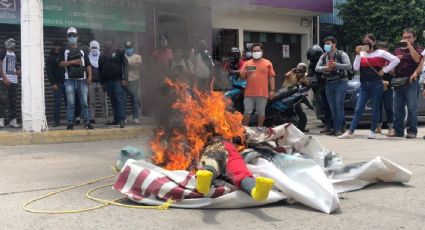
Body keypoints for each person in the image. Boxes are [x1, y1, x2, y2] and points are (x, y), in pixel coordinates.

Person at [338, 34, 400, 139]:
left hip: (376, 84)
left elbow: (396, 60)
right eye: (364, 41)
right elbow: (356, 67)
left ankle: (372, 131)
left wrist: (384, 70)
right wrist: (357, 54)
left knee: (375, 108)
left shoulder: (381, 53)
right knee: (358, 108)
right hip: (364, 85)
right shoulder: (362, 54)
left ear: (374, 42)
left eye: (369, 41)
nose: (366, 43)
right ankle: (350, 131)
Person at [389, 28, 423, 139]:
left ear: (414, 38)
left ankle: (412, 131)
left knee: (412, 107)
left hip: (411, 82)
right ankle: (398, 131)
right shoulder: (397, 49)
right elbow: (393, 64)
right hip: (398, 81)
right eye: (404, 37)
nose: (406, 39)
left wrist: (410, 47)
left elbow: (418, 60)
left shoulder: (418, 49)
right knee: (397, 108)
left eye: (408, 37)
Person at [315, 36, 352, 136]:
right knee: (332, 107)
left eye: (328, 43)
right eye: (325, 44)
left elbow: (349, 66)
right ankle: (337, 127)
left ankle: (338, 129)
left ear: (334, 44)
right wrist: (325, 68)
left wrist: (336, 65)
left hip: (341, 82)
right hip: (329, 83)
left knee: (338, 106)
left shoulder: (342, 54)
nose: (326, 46)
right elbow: (317, 68)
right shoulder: (323, 56)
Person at [59, 27, 93, 130]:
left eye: (74, 35)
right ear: (67, 37)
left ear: (77, 36)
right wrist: (73, 62)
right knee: (70, 102)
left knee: (85, 102)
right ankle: (70, 123)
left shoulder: (83, 50)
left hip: (82, 80)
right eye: (70, 36)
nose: (72, 37)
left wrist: (90, 76)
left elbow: (88, 64)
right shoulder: (64, 50)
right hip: (69, 80)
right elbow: (60, 63)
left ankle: (87, 122)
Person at [240, 43, 276, 127]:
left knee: (261, 112)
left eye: (258, 50)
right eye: (254, 51)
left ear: (261, 51)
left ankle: (259, 129)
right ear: (251, 52)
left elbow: (271, 77)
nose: (256, 52)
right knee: (247, 112)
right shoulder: (247, 63)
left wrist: (272, 90)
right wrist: (245, 71)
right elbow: (242, 77)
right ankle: (245, 129)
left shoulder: (267, 63)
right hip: (249, 94)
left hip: (262, 93)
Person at [99, 40, 128, 128]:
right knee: (112, 101)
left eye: (109, 43)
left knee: (119, 100)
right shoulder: (102, 56)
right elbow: (100, 70)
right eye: (106, 43)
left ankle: (121, 120)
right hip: (107, 82)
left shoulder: (119, 52)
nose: (107, 44)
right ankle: (116, 120)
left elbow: (125, 65)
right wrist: (102, 83)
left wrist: (125, 78)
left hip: (117, 81)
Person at [307, 45, 332, 134]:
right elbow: (310, 74)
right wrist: (310, 80)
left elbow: (328, 72)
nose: (312, 61)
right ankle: (327, 124)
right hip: (317, 87)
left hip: (326, 85)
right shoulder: (312, 63)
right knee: (321, 106)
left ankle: (331, 125)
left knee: (329, 106)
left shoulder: (325, 60)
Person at [374, 42, 396, 136]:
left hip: (388, 86)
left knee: (388, 107)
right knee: (377, 107)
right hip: (376, 85)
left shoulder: (391, 59)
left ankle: (390, 128)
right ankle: (378, 127)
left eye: (383, 49)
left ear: (387, 49)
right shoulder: (375, 59)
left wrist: (385, 68)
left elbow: (394, 73)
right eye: (379, 49)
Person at [282, 63, 309, 132]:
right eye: (299, 69)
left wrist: (303, 77)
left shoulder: (304, 77)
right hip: (286, 96)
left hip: (296, 98)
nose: (299, 71)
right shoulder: (291, 74)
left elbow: (307, 85)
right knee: (287, 113)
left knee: (301, 113)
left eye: (302, 69)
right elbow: (286, 75)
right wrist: (292, 71)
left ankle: (301, 128)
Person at [0, 38, 20, 128]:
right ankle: (1, 120)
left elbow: (18, 66)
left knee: (13, 102)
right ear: (6, 43)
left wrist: (19, 72)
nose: (13, 44)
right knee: (2, 101)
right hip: (3, 81)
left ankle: (13, 121)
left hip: (14, 81)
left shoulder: (16, 54)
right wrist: (4, 78)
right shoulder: (2, 53)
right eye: (11, 42)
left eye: (14, 42)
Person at [46, 41, 66, 127]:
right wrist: (52, 83)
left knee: (69, 102)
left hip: (66, 82)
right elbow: (49, 71)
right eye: (56, 45)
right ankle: (56, 121)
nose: (57, 47)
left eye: (59, 45)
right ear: (54, 46)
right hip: (57, 83)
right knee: (57, 103)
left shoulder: (64, 55)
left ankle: (70, 120)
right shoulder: (50, 57)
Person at [88, 40, 108, 124]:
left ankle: (105, 118)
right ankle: (92, 118)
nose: (94, 49)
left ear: (99, 48)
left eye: (95, 47)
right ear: (90, 48)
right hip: (91, 83)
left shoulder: (102, 57)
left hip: (101, 83)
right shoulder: (87, 57)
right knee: (92, 102)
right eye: (92, 48)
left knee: (104, 101)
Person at [124, 41, 143, 124]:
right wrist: (130, 64)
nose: (129, 50)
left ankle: (135, 117)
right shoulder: (123, 56)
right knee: (123, 100)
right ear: (125, 49)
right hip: (125, 81)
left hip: (134, 81)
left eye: (130, 48)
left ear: (133, 49)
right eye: (127, 48)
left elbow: (137, 66)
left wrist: (127, 64)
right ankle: (124, 117)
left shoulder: (138, 57)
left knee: (135, 100)